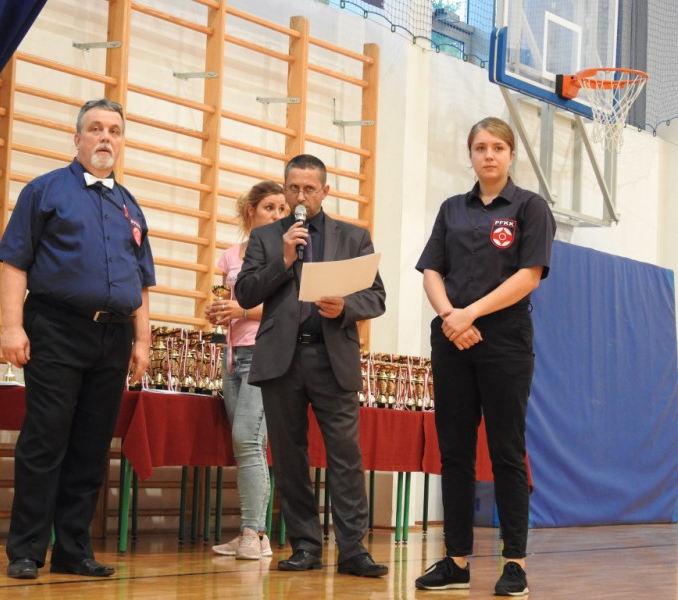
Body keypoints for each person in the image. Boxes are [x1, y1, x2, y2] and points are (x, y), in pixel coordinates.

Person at [0, 99, 156, 580]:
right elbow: (14, 262)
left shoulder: (131, 205)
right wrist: (11, 327)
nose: (106, 137)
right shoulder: (44, 191)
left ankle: (72, 549)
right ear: (78, 138)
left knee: (91, 446)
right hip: (56, 329)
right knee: (45, 440)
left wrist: (142, 341)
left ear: (122, 141)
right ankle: (27, 550)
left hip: (113, 337)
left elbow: (141, 282)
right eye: (96, 129)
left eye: (114, 131)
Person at [414, 117, 556, 596]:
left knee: (506, 450)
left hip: (504, 339)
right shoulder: (452, 208)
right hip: (451, 337)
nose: (488, 155)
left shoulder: (530, 207)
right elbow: (432, 270)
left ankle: (514, 562)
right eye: (480, 147)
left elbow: (529, 275)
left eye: (497, 147)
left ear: (511, 154)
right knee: (454, 450)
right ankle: (455, 561)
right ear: (470, 154)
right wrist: (451, 317)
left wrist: (469, 314)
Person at [235, 154, 388, 578]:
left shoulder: (353, 237)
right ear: (285, 189)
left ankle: (353, 549)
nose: (300, 196)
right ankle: (304, 545)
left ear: (325, 191)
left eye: (309, 188)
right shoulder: (267, 237)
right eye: (293, 188)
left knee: (345, 455)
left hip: (331, 356)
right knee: (289, 457)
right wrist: (283, 260)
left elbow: (376, 297)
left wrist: (346, 307)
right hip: (281, 360)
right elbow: (245, 293)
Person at [207, 181, 287, 560]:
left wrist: (240, 310)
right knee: (245, 445)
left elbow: (286, 311)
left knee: (248, 441)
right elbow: (225, 301)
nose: (277, 215)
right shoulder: (229, 256)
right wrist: (218, 312)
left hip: (265, 354)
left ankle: (252, 533)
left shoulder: (286, 257)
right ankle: (256, 534)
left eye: (282, 209)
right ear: (250, 211)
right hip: (233, 355)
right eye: (270, 207)